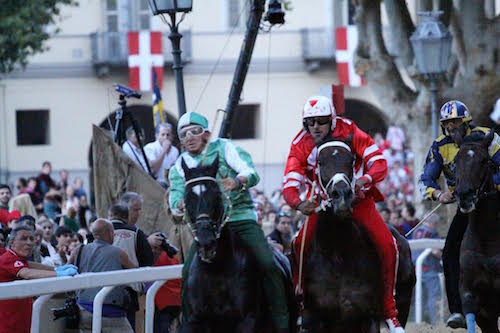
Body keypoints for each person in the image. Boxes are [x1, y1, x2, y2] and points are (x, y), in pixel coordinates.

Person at [282, 95, 403, 333]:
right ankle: (302, 306)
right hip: (322, 203)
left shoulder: (351, 131)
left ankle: (390, 312)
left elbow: (379, 162)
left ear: (332, 120)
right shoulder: (300, 143)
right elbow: (290, 180)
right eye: (310, 122)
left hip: (357, 200)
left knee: (388, 245)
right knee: (298, 244)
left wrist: (365, 180)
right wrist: (297, 203)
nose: (315, 127)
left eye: (321, 121)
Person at [169, 111, 289, 332]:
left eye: (194, 131)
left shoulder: (225, 148)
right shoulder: (179, 164)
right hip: (208, 227)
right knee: (187, 271)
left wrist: (237, 180)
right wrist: (178, 204)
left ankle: (282, 321)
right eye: (183, 134)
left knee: (267, 262)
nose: (189, 137)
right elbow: (175, 193)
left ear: (206, 133)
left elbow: (250, 172)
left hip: (240, 217)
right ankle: (187, 321)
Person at [418, 100, 500, 328]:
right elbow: (425, 179)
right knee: (450, 251)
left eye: (456, 126)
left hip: (494, 200)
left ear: (466, 123)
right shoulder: (439, 146)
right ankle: (457, 311)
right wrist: (438, 194)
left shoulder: (488, 137)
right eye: (448, 127)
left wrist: (488, 186)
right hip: (466, 205)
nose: (452, 132)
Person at [0, 226, 78, 333]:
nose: (29, 243)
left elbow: (31, 265)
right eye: (24, 238)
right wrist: (58, 274)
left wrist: (56, 269)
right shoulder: (8, 258)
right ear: (12, 242)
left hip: (19, 318)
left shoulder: (18, 258)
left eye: (31, 239)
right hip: (8, 321)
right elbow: (27, 273)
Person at [71, 218, 137, 333]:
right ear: (109, 233)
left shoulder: (79, 250)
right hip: (111, 312)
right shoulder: (119, 253)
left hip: (83, 309)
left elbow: (66, 271)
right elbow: (137, 274)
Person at [108, 203, 154, 329]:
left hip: (104, 287)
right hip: (130, 288)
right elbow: (148, 260)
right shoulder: (137, 233)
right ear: (126, 217)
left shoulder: (100, 231)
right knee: (129, 325)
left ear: (110, 215)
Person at [411, 213, 443, 325]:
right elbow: (436, 252)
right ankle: (436, 324)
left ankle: (417, 323)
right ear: (434, 223)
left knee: (420, 299)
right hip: (430, 269)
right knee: (433, 298)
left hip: (417, 270)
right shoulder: (432, 232)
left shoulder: (416, 231)